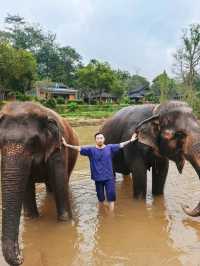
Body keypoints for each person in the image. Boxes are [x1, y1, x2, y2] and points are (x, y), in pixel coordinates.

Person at [62, 132, 138, 211]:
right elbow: (79, 148)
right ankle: (100, 213)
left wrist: (131, 140)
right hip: (98, 178)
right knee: (100, 198)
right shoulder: (90, 150)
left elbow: (121, 145)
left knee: (111, 198)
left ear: (104, 139)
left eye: (101, 138)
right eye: (98, 138)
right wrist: (66, 145)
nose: (100, 140)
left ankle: (111, 216)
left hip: (109, 178)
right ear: (95, 140)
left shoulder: (110, 147)